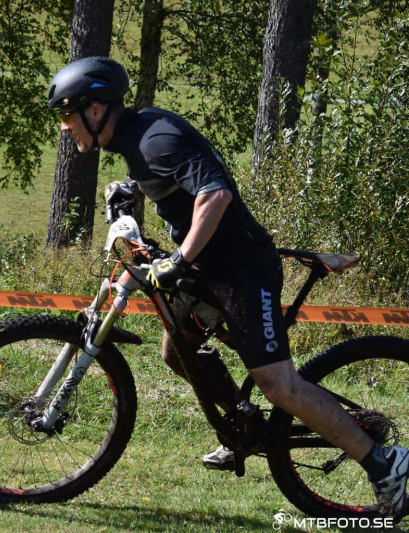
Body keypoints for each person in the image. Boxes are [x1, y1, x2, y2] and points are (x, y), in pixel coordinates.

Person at [47, 56, 408, 517]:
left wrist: (179, 259)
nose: (64, 128)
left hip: (242, 271)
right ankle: (243, 423)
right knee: (177, 350)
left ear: (95, 111)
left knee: (278, 384)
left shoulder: (154, 139)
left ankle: (384, 464)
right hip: (208, 269)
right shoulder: (137, 136)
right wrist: (128, 192)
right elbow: (171, 177)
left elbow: (214, 194)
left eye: (67, 115)